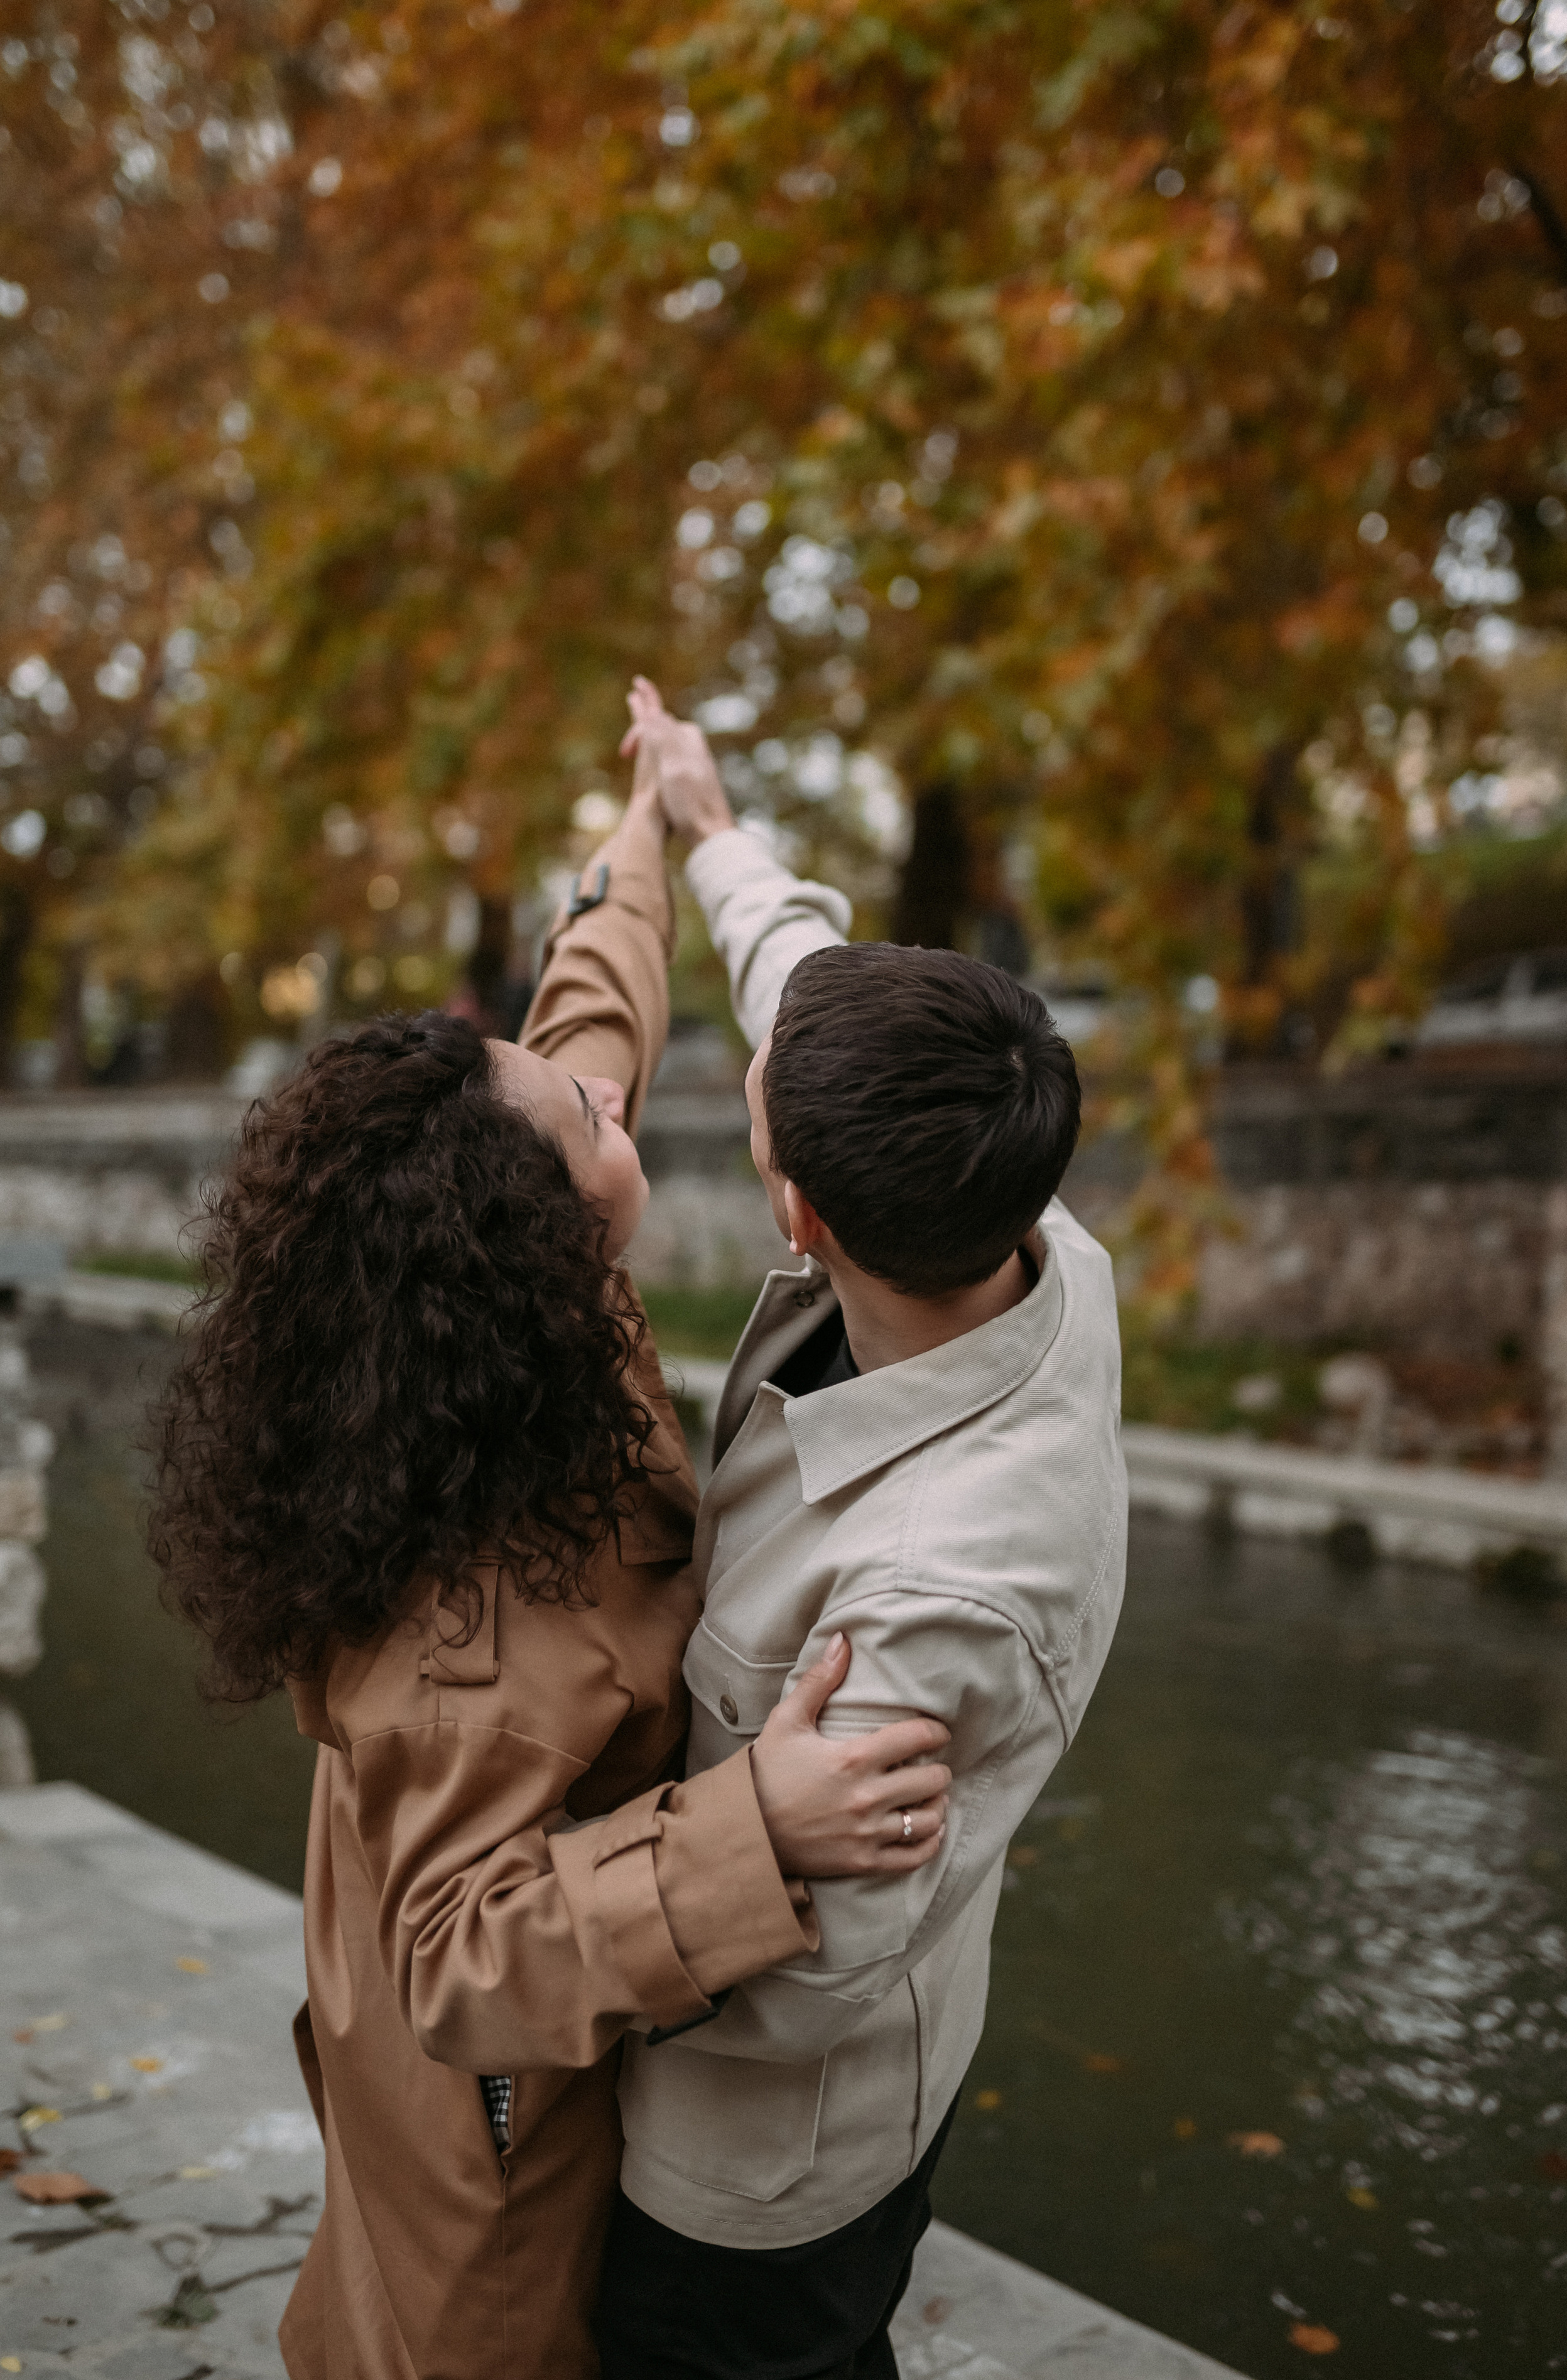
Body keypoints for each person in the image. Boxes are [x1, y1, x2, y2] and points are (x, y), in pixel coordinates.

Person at [149, 717, 955, 2380]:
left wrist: (648, 830)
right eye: (586, 1119)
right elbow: (464, 1952)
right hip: (493, 2123)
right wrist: (759, 1829)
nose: (605, 1088)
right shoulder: (474, 1632)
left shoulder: (493, 1314)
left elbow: (584, 1007)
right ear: (538, 1229)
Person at [594, 689, 1128, 2380]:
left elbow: (810, 1981)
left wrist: (643, 1874)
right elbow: (802, 971)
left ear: (796, 1208)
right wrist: (709, 817)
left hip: (754, 2165)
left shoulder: (938, 1594)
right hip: (902, 2057)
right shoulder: (1008, 1204)